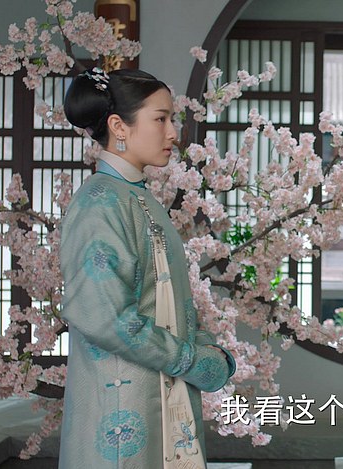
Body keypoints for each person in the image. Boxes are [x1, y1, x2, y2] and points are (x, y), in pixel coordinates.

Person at [59, 67, 235, 468]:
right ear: (119, 126)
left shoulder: (137, 198)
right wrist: (193, 360)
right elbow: (105, 318)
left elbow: (164, 300)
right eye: (161, 119)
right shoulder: (99, 204)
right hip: (124, 404)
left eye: (172, 119)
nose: (173, 133)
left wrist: (203, 346)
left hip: (161, 392)